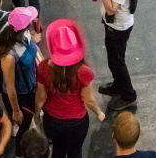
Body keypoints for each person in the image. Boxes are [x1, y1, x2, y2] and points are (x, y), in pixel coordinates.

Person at [34, 19, 104, 158]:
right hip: (77, 123)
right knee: (75, 152)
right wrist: (99, 112)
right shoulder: (84, 71)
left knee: (58, 151)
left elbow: (41, 97)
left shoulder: (43, 67)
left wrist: (36, 115)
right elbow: (88, 100)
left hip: (52, 121)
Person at [95, 0, 138, 110]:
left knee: (117, 61)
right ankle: (118, 85)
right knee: (113, 59)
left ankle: (128, 95)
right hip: (112, 26)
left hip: (118, 28)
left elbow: (112, 9)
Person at [0, 6, 40, 157]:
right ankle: (19, 154)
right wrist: (16, 110)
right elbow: (10, 86)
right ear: (23, 27)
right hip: (19, 97)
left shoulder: (25, 34)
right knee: (23, 127)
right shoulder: (9, 55)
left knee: (28, 122)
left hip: (30, 87)